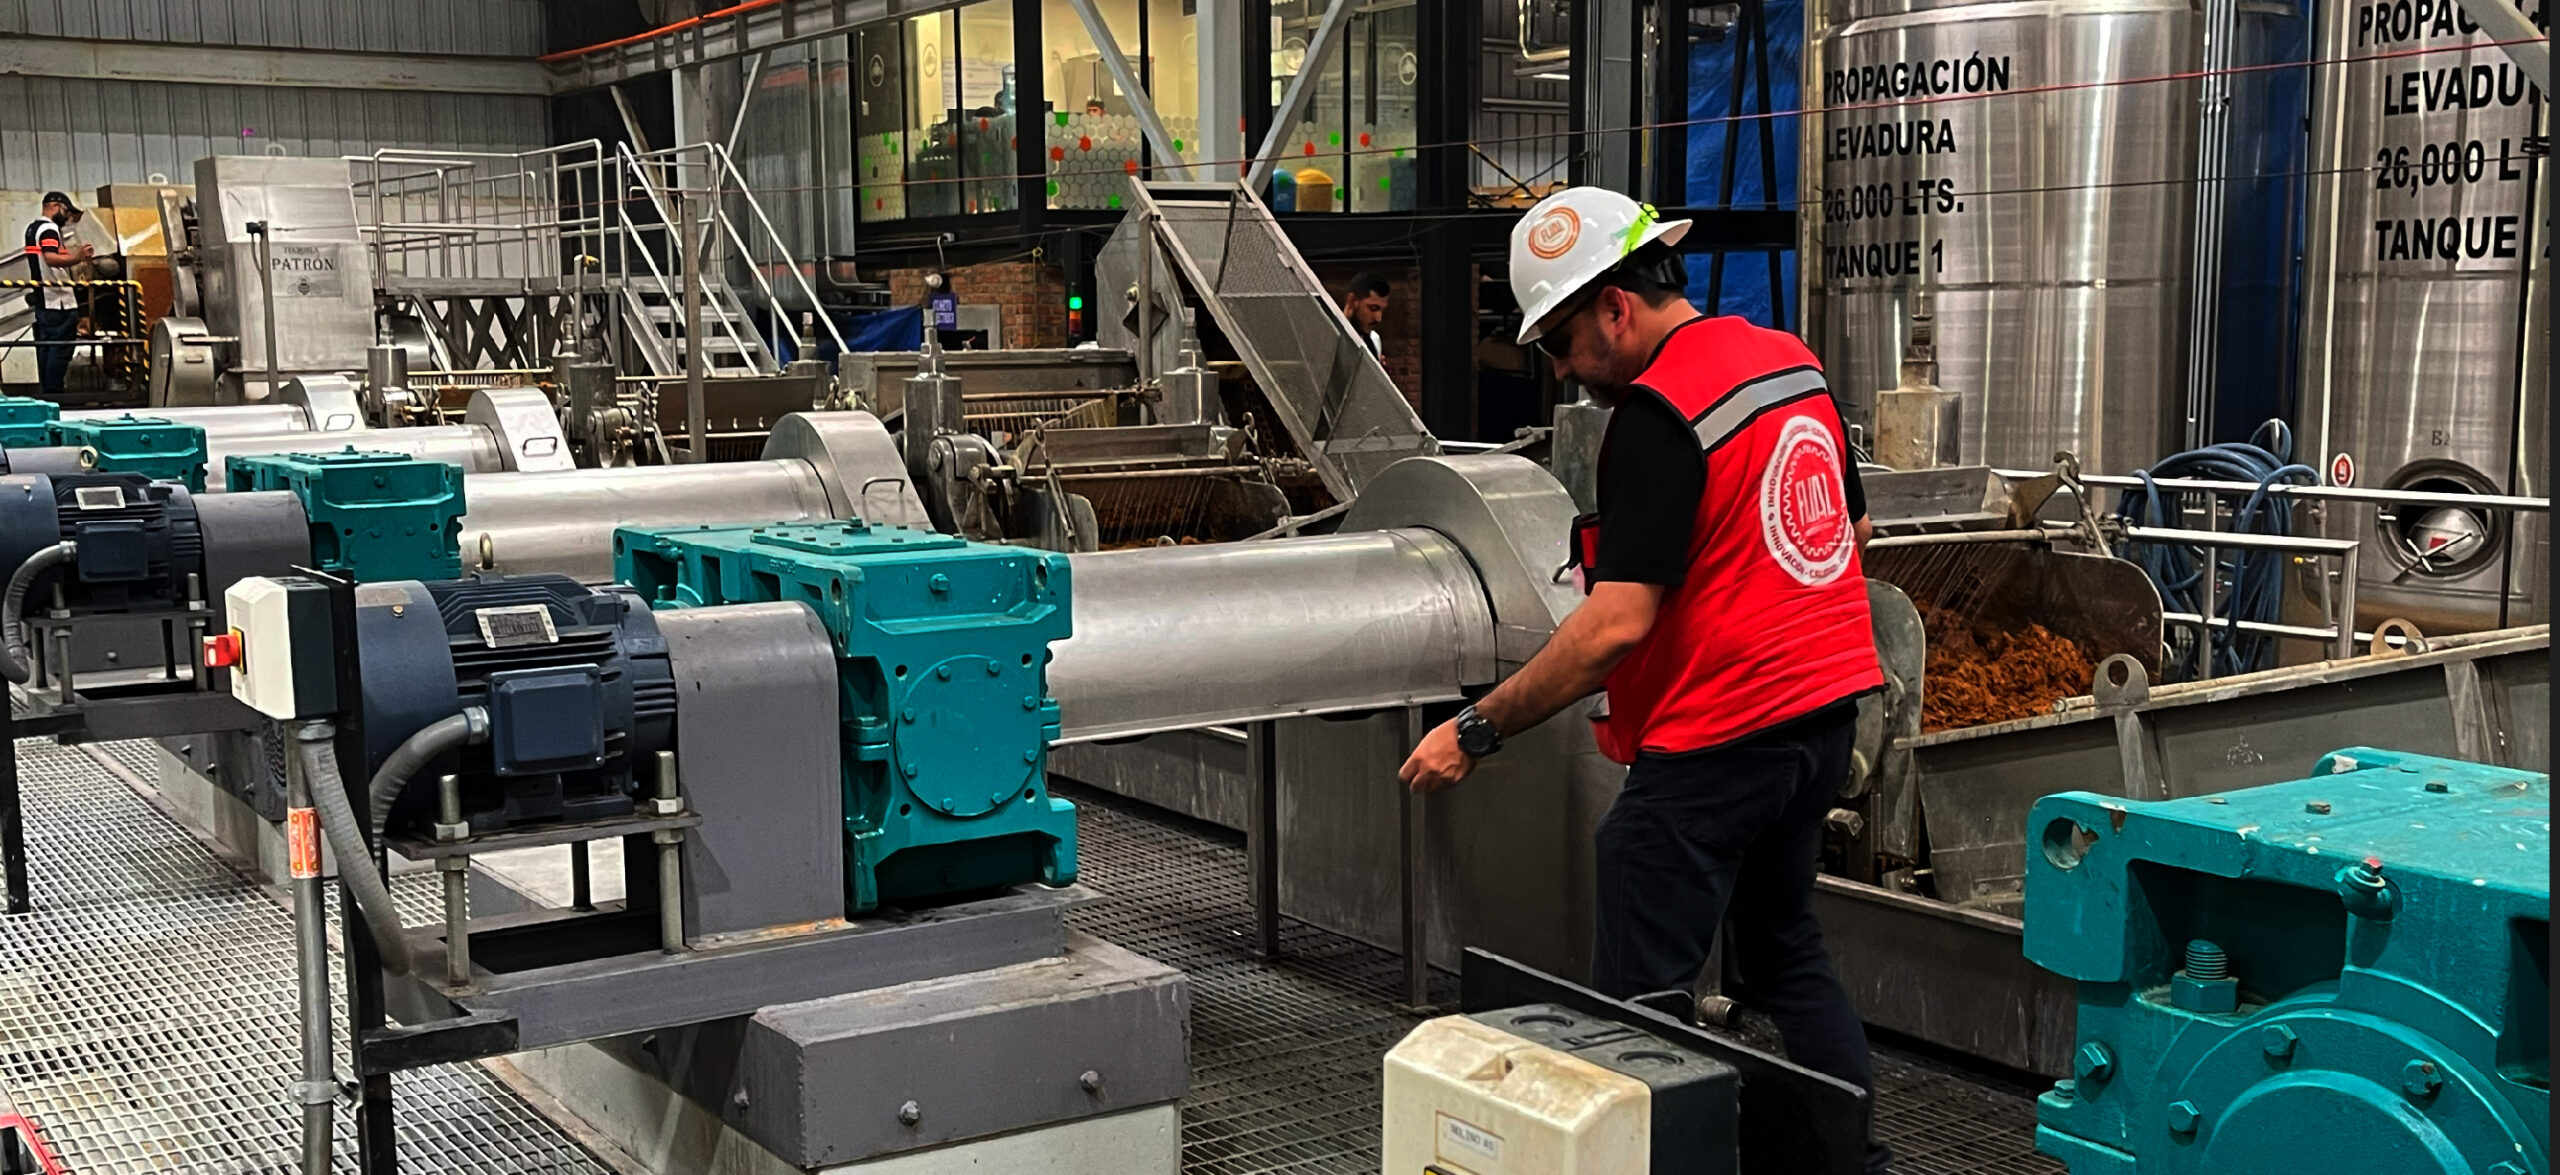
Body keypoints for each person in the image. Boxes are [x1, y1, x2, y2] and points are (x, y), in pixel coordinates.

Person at [1397, 186, 1892, 1174]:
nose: (1561, 369)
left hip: (1721, 736)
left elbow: (1615, 624)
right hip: (1824, 714)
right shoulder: (1789, 364)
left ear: (1615, 307)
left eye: (1561, 342)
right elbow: (1853, 530)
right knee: (1782, 950)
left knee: (1639, 1004)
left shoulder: (1662, 412)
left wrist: (1474, 730)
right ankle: (1849, 1166)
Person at [21, 191, 90, 398]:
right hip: (58, 300)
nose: (67, 216)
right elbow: (50, 258)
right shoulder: (49, 229)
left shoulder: (33, 228)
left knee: (46, 347)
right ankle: (55, 393)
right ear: (54, 206)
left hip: (44, 299)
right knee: (60, 348)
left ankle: (47, 393)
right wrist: (78, 257)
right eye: (66, 211)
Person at [1342, 270, 1389, 358]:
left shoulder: (1374, 340)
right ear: (1352, 301)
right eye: (1373, 308)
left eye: (1382, 310)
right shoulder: (1331, 337)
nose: (1378, 318)